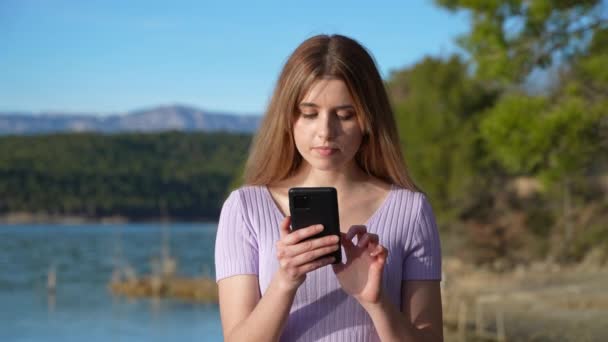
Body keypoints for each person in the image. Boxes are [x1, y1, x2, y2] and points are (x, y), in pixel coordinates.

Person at [214, 34, 443, 342]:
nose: (325, 131)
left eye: (345, 115)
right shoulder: (245, 209)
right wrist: (285, 281)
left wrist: (376, 303)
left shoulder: (411, 211)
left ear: (368, 119)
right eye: (309, 113)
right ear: (288, 118)